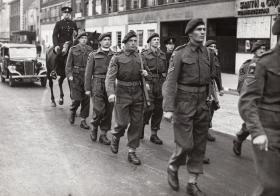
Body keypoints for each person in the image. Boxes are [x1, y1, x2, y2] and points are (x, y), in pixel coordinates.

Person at [163, 18, 210, 196]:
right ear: (190, 33)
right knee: (185, 144)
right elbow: (171, 82)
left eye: (204, 29)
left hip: (202, 103)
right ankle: (173, 166)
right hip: (184, 102)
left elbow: (209, 79)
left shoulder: (207, 53)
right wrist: (168, 108)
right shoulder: (179, 53)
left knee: (199, 145)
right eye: (199, 29)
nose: (203, 32)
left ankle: (192, 182)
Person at [238, 17, 280, 196]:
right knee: (272, 186)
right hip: (268, 131)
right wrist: (257, 132)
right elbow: (247, 101)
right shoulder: (263, 63)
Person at [105, 30, 149, 165]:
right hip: (122, 92)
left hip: (138, 93)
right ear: (124, 43)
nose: (134, 44)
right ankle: (116, 136)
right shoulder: (117, 58)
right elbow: (110, 77)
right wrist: (111, 93)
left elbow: (148, 74)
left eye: (135, 41)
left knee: (136, 123)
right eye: (131, 41)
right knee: (122, 123)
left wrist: (146, 75)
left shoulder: (140, 57)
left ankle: (132, 151)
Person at [233, 40, 266, 156]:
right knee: (253, 123)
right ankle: (239, 138)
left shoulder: (266, 64)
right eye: (259, 48)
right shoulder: (248, 65)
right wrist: (246, 100)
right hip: (253, 100)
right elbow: (242, 84)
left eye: (264, 48)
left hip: (265, 100)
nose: (262, 50)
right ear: (254, 50)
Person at [85, 32, 114, 145]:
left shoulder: (114, 55)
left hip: (110, 85)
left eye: (108, 39)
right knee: (99, 109)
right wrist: (87, 88)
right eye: (105, 39)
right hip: (97, 83)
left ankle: (103, 134)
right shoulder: (93, 55)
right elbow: (88, 73)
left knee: (108, 111)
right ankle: (94, 127)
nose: (107, 41)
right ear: (100, 42)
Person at [141, 33, 167, 144]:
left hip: (160, 82)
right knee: (148, 108)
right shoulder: (144, 54)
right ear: (150, 42)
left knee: (158, 109)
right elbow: (142, 69)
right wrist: (146, 81)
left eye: (158, 39)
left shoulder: (162, 54)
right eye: (154, 39)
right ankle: (141, 127)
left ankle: (154, 134)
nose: (156, 41)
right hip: (149, 83)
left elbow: (165, 69)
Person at [65, 32, 93, 129]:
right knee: (77, 98)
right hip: (76, 76)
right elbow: (68, 65)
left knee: (86, 99)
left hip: (87, 76)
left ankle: (83, 120)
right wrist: (69, 75)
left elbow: (93, 64)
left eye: (85, 38)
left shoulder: (90, 50)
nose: (84, 40)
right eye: (82, 38)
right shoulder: (73, 49)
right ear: (78, 39)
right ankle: (73, 111)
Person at [205, 40, 224, 143]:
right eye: (210, 46)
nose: (213, 48)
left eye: (214, 46)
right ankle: (202, 131)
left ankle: (206, 129)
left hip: (212, 85)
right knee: (205, 108)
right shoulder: (203, 57)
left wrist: (220, 88)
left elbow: (218, 74)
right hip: (204, 86)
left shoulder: (216, 59)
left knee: (213, 106)